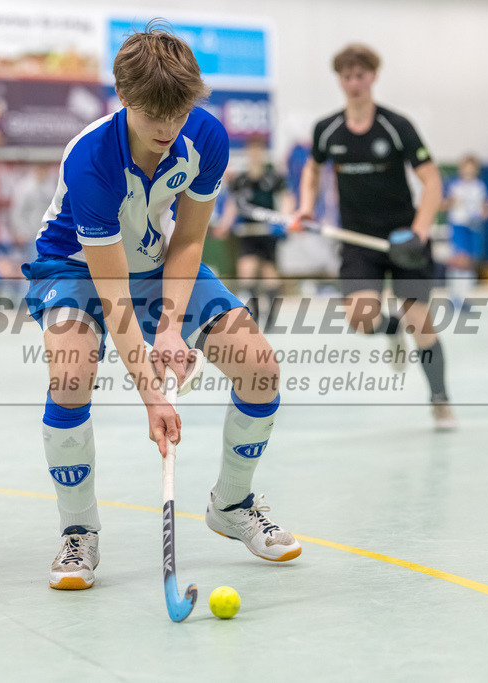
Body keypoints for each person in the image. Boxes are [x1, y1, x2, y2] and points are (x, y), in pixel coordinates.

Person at [21, 23, 301, 591]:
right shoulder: (91, 161)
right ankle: (79, 532)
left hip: (157, 260)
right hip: (76, 268)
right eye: (154, 116)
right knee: (70, 375)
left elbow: (190, 239)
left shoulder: (206, 137)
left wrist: (170, 329)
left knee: (260, 366)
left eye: (178, 114)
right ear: (123, 98)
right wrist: (152, 394)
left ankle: (232, 504)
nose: (168, 130)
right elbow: (112, 292)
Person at [294, 43, 457, 431]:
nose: (354, 83)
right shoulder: (327, 129)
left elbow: (432, 181)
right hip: (357, 239)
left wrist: (419, 232)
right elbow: (313, 170)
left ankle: (440, 401)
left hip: (404, 240)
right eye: (347, 76)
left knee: (421, 322)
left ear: (373, 77)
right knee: (360, 316)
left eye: (360, 75)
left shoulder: (396, 126)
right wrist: (305, 206)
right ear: (340, 80)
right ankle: (391, 330)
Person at [214, 135, 292, 326]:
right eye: (252, 151)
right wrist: (225, 225)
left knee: (269, 273)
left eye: (258, 151)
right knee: (246, 272)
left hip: (268, 231)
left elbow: (286, 197)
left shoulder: (273, 176)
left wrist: (285, 220)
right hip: (247, 231)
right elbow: (232, 204)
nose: (255, 155)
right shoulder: (241, 180)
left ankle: (270, 316)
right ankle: (255, 312)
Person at [443, 154, 488, 310]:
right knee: (459, 260)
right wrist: (451, 202)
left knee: (470, 262)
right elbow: (445, 205)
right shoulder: (455, 186)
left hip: (473, 226)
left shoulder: (479, 187)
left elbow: (485, 208)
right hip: (459, 226)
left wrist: (484, 212)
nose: (468, 171)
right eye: (466, 168)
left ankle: (465, 296)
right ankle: (454, 295)